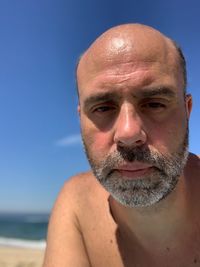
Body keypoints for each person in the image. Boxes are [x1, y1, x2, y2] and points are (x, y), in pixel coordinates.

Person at [43, 23, 200, 267]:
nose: (128, 133)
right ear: (81, 119)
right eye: (103, 108)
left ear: (187, 110)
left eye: (155, 103)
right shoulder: (76, 203)